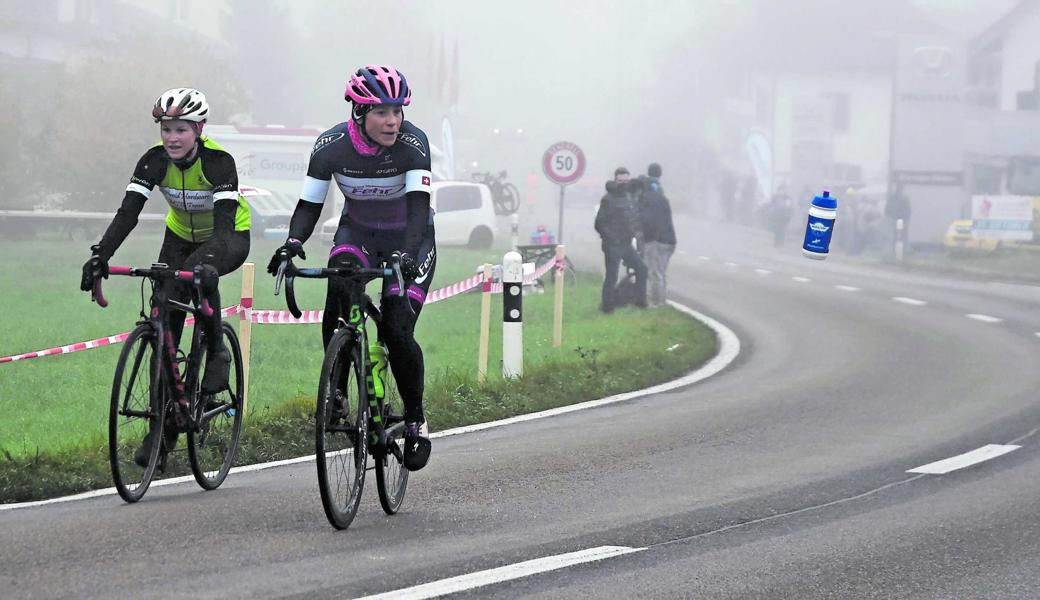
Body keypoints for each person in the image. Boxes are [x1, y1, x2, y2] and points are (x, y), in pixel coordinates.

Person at [267, 65, 434, 471]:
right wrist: (291, 244)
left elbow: (417, 211)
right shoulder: (330, 147)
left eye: (398, 111)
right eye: (381, 112)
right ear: (359, 112)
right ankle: (337, 392)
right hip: (357, 232)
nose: (393, 120)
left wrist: (408, 257)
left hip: (409, 239)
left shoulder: (413, 144)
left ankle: (416, 421)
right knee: (339, 284)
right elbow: (309, 206)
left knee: (396, 331)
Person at [79, 87, 252, 465]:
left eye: (181, 130)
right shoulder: (154, 161)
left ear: (199, 128)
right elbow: (128, 213)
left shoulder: (219, 162)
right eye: (167, 129)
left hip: (228, 236)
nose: (172, 138)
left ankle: (218, 351)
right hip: (179, 235)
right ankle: (162, 427)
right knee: (163, 319)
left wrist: (208, 263)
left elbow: (223, 228)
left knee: (198, 274)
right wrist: (100, 256)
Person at [594, 167, 647, 312]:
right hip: (612, 245)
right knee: (612, 275)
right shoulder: (608, 198)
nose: (623, 183)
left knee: (642, 269)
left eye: (626, 181)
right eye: (620, 181)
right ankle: (607, 307)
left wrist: (636, 235)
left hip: (626, 244)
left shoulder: (629, 197)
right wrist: (612, 238)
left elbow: (632, 219)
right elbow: (599, 223)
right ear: (615, 180)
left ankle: (640, 303)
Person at [637, 175, 676, 307]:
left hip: (655, 241)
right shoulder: (662, 198)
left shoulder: (644, 200)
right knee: (661, 273)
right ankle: (662, 301)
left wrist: (642, 235)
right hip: (670, 240)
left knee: (653, 273)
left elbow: (646, 221)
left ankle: (656, 303)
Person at [769, 183, 794, 247]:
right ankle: (776, 243)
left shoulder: (787, 198)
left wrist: (788, 216)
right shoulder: (775, 197)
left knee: (782, 231)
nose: (781, 192)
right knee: (777, 230)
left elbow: (789, 208)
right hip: (776, 217)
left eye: (782, 190)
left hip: (784, 217)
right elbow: (772, 205)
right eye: (780, 190)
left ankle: (780, 243)